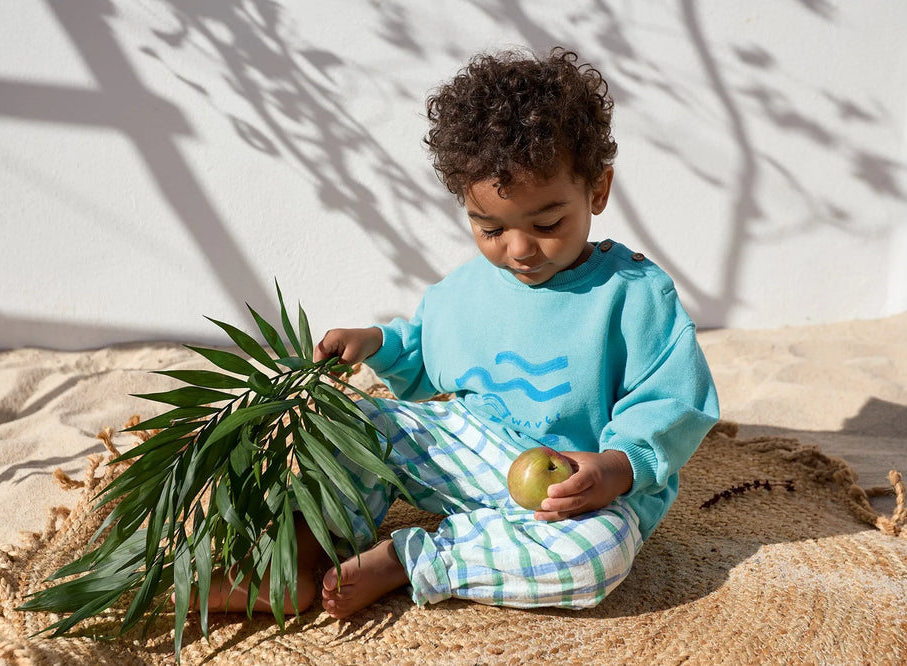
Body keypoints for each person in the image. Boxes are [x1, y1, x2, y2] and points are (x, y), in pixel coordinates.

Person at [206, 46, 719, 619]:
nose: (520, 248)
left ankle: (417, 560)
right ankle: (298, 561)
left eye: (548, 223)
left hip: (575, 491)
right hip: (471, 449)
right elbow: (426, 351)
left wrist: (616, 469)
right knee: (357, 425)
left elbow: (672, 400)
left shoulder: (634, 294)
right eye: (490, 227)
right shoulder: (469, 289)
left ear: (597, 190)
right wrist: (376, 343)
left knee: (597, 557)